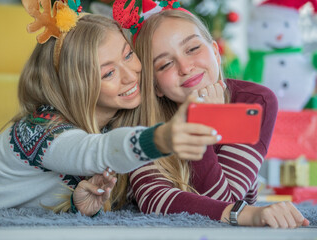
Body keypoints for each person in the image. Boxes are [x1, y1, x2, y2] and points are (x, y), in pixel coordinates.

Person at [0, 0, 221, 217]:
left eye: (128, 55)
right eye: (108, 73)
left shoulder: (119, 114)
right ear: (77, 86)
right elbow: (97, 150)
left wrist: (76, 207)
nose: (131, 76)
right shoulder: (39, 131)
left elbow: (43, 197)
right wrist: (162, 137)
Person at [110, 0, 309, 228]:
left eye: (193, 49)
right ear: (155, 86)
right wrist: (203, 122)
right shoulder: (144, 120)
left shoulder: (254, 101)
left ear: (215, 51)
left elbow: (227, 202)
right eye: (165, 65)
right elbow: (156, 200)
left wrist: (205, 120)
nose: (185, 67)